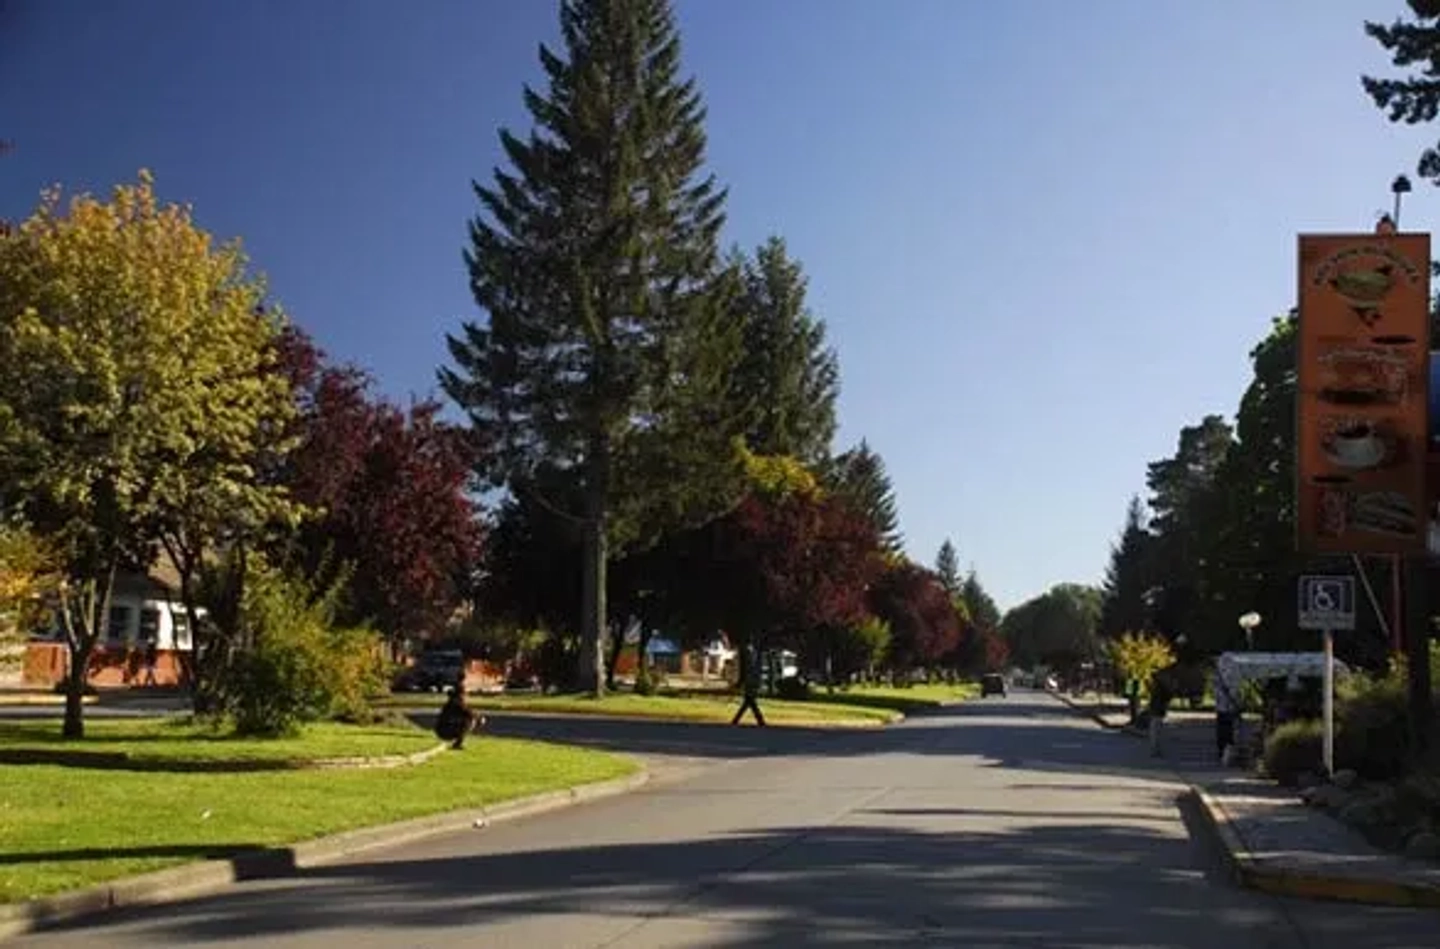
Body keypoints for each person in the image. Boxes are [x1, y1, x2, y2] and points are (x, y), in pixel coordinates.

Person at [731, 642, 766, 727]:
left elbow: (750, 670)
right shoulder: (752, 656)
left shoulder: (751, 657)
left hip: (751, 681)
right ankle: (759, 720)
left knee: (749, 701)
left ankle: (737, 720)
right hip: (751, 680)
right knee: (749, 702)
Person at [1147, 669, 1174, 757]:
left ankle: (1155, 750)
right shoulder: (1160, 686)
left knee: (1155, 731)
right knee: (1157, 731)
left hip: (1156, 710)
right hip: (1159, 710)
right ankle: (1156, 750)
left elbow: (1156, 696)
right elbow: (1167, 696)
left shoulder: (1157, 686)